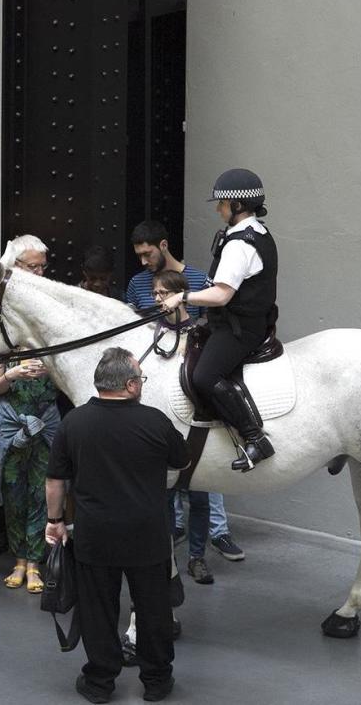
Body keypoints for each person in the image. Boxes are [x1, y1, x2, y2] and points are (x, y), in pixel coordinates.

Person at [45, 347, 189, 703]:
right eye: (140, 377)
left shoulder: (73, 422)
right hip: (148, 536)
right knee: (154, 609)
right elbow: (181, 460)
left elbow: (55, 480)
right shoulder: (155, 421)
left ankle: (100, 682)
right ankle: (156, 681)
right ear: (129, 385)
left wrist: (55, 521)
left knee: (98, 610)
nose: (141, 382)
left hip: (96, 536)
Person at [129, 220, 243, 561]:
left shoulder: (197, 280)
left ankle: (217, 533)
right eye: (139, 255)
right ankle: (175, 533)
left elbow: (216, 320)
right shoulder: (137, 283)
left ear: (163, 245)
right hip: (158, 375)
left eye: (148, 254)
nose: (144, 262)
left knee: (205, 466)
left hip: (190, 366)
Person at [160, 169, 277, 472]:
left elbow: (222, 295)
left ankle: (255, 438)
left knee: (205, 376)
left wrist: (182, 297)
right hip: (232, 322)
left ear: (237, 205)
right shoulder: (252, 232)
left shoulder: (241, 244)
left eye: (222, 203)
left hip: (239, 328)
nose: (218, 208)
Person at [0, 235, 58, 594]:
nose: (40, 272)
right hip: (12, 418)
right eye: (34, 266)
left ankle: (36, 564)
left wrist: (51, 370)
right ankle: (18, 559)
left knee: (43, 491)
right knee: (12, 490)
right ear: (15, 267)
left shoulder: (52, 310)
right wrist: (12, 373)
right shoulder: (1, 318)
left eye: (43, 266)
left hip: (47, 417)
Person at [151, 271, 215, 586]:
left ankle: (198, 557)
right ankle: (168, 560)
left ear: (180, 294)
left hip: (197, 431)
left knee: (200, 499)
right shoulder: (152, 334)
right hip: (165, 431)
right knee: (164, 498)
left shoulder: (201, 334)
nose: (159, 299)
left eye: (164, 293)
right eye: (156, 293)